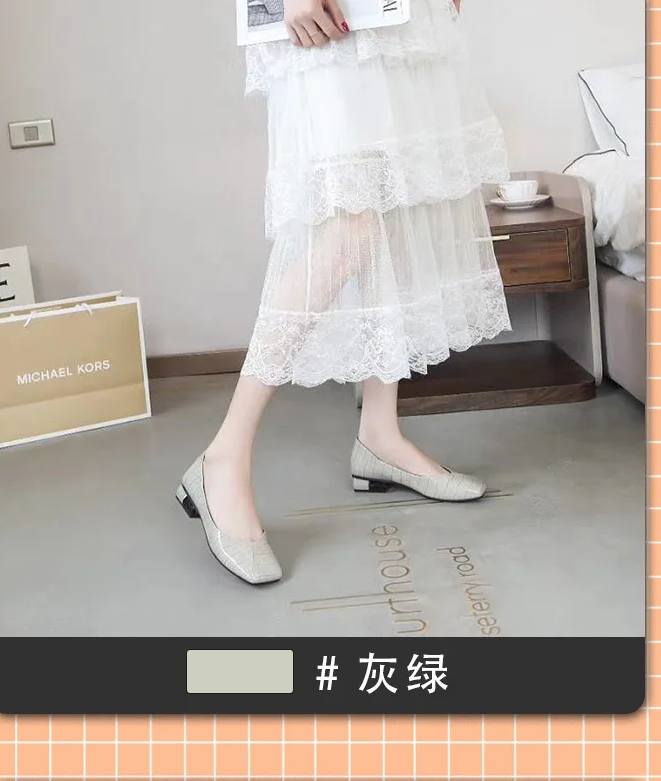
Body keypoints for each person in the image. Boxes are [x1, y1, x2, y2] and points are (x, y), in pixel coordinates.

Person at [175, 0, 511, 584]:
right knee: (350, 223)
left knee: (392, 207)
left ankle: (380, 433)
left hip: (400, 17)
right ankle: (223, 457)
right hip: (330, 20)